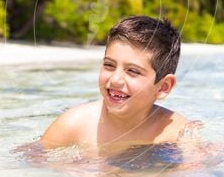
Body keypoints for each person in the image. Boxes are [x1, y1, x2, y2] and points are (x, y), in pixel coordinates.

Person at [39, 15, 197, 161]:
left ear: (163, 87)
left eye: (133, 71)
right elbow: (31, 162)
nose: (115, 79)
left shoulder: (177, 134)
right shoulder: (74, 125)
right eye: (109, 65)